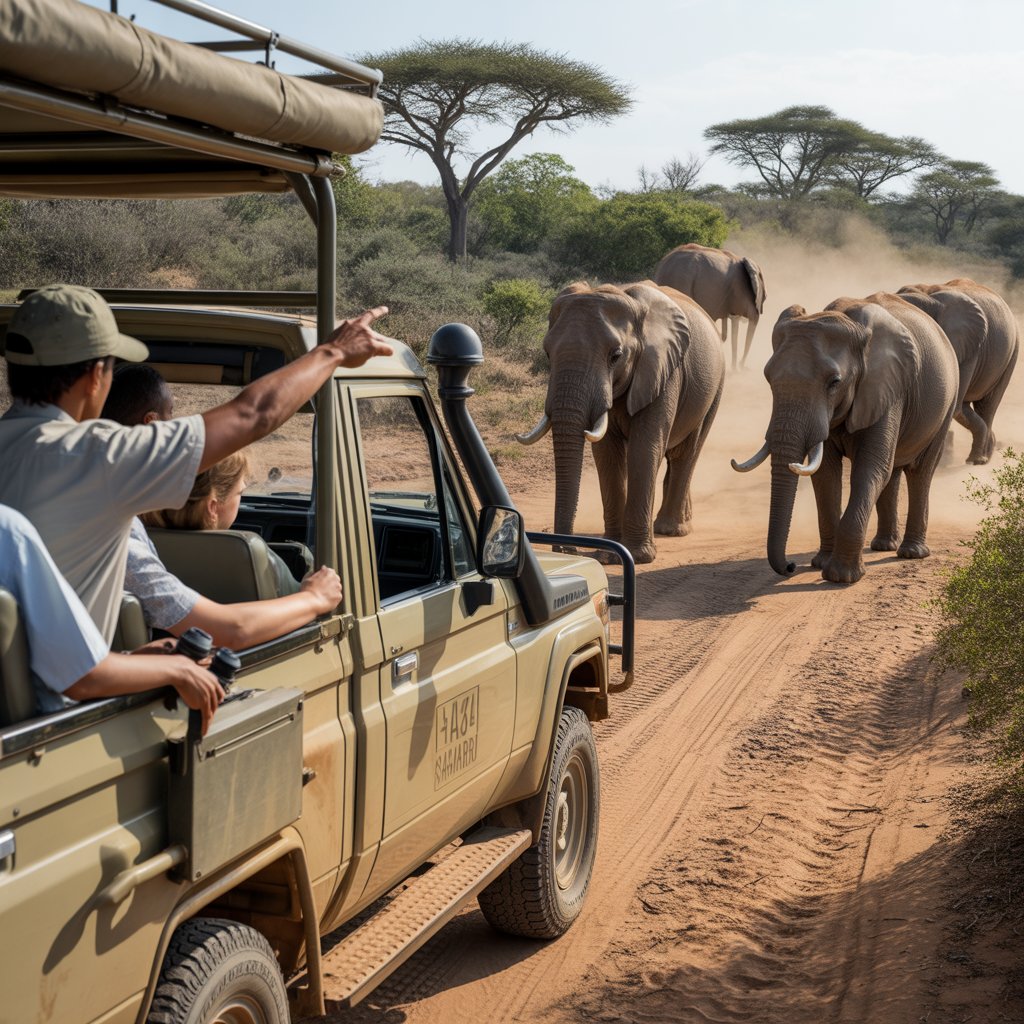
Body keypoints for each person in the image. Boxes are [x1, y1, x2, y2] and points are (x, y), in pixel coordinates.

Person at [0, 283, 391, 644]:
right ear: (94, 376)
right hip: (66, 714)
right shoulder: (99, 456)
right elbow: (253, 415)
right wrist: (333, 351)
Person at [103, 368, 338, 648]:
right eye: (171, 416)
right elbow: (230, 629)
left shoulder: (101, 504)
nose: (174, 426)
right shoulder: (123, 535)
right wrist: (313, 598)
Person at [0, 504, 223, 732]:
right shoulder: (9, 531)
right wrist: (179, 668)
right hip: (54, 735)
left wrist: (132, 659)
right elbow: (83, 679)